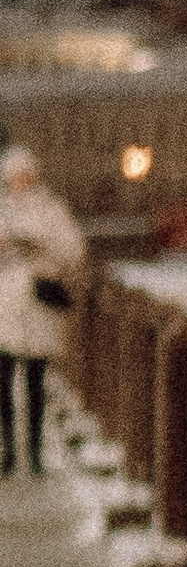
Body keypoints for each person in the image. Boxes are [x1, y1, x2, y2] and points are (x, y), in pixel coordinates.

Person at [0, 144, 86, 479]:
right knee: (2, 382)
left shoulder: (51, 210)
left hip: (38, 305)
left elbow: (74, 251)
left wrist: (43, 250)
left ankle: (34, 453)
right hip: (5, 306)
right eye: (13, 178)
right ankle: (8, 451)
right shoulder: (2, 211)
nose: (19, 183)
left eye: (24, 176)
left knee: (36, 382)